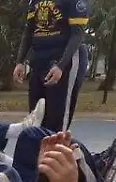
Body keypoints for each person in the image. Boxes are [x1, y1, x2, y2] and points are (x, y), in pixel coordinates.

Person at [13, 0, 90, 131]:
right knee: (36, 119)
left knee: (56, 123)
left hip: (64, 61)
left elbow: (77, 34)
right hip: (39, 60)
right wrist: (19, 62)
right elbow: (29, 31)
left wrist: (61, 66)